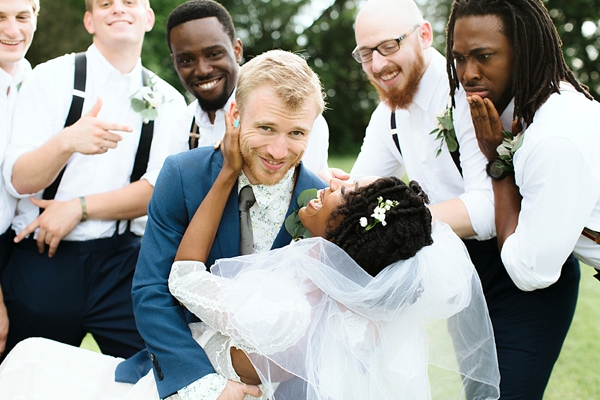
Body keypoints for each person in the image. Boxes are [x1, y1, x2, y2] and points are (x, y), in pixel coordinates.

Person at [0, 155, 501, 399]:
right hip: (169, 375)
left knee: (28, 362)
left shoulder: (289, 312)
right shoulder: (348, 304)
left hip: (185, 393)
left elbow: (184, 280)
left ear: (347, 232)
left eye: (343, 196)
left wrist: (223, 178)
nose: (332, 182)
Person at [321, 0, 580, 398]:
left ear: (424, 35)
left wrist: (398, 219)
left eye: (388, 46)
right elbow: (356, 188)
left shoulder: (468, 92)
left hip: (522, 273)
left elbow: (487, 210)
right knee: (479, 393)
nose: (376, 64)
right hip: (463, 273)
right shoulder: (388, 116)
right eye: (365, 53)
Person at [112, 49, 327, 400]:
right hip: (191, 368)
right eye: (266, 128)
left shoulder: (319, 200)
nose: (278, 150)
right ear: (236, 115)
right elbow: (151, 293)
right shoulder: (182, 176)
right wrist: (204, 385)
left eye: (297, 133)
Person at [0, 0, 186, 360]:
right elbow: (17, 180)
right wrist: (67, 142)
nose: (118, 9)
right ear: (89, 20)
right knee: (25, 379)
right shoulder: (48, 77)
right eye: (105, 4)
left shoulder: (169, 101)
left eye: (129, 2)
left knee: (154, 372)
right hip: (39, 261)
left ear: (148, 18)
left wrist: (78, 208)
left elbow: (157, 191)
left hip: (121, 266)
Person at [448, 0, 599, 349]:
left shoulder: (553, 139)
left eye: (484, 56)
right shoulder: (544, 109)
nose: (467, 73)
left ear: (523, 51)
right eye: (458, 58)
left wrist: (497, 163)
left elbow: (527, 272)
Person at [166, 0, 329, 174]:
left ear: (237, 50)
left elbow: (305, 191)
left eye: (214, 54)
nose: (202, 70)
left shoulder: (294, 110)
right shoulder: (183, 124)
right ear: (174, 62)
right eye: (187, 60)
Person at [0, 0, 38, 359]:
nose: (13, 31)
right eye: (0, 18)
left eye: (22, 17)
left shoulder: (32, 80)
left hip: (18, 247)